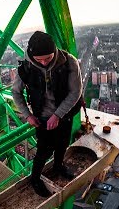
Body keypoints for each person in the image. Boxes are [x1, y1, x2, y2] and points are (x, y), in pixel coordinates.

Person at [12, 31, 83, 197]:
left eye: (48, 58)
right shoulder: (26, 67)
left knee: (62, 143)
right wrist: (28, 115)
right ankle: (35, 178)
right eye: (39, 60)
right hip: (42, 117)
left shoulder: (68, 62)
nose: (44, 63)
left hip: (64, 113)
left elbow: (75, 92)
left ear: (55, 52)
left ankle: (58, 166)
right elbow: (16, 92)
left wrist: (58, 115)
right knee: (43, 150)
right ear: (31, 56)